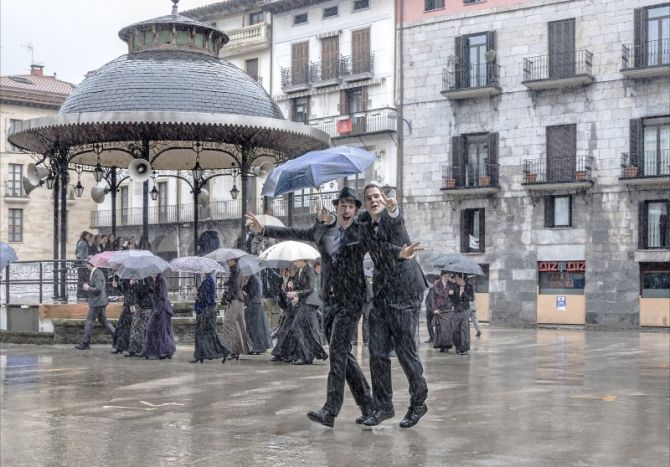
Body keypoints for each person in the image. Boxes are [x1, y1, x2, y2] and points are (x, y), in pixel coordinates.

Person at [246, 187, 419, 428]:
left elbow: (380, 248)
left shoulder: (362, 231)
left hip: (352, 300)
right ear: (336, 208)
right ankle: (367, 403)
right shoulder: (322, 231)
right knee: (344, 356)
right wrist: (263, 230)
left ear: (356, 211)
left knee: (337, 352)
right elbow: (293, 232)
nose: (346, 210)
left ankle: (331, 409)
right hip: (329, 299)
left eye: (351, 206)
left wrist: (400, 252)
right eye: (342, 205)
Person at [357, 184, 429, 429]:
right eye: (368, 198)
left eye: (377, 196)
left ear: (384, 198)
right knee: (376, 351)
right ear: (365, 204)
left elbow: (397, 223)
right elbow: (372, 247)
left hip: (405, 291)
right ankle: (383, 407)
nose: (373, 200)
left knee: (405, 351)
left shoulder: (391, 216)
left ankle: (419, 402)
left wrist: (394, 209)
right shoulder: (365, 225)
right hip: (381, 293)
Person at [273, 260, 328, 365]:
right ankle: (308, 355)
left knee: (297, 328)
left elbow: (310, 289)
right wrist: (291, 286)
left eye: (297, 261)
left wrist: (296, 293)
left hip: (309, 303)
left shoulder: (309, 270)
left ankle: (305, 355)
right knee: (306, 330)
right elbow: (300, 287)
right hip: (303, 302)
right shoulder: (300, 270)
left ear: (303, 260)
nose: (295, 263)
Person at [75, 257, 116, 350]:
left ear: (90, 264)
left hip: (97, 302)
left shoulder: (98, 274)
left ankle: (85, 343)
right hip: (99, 302)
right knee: (104, 322)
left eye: (87, 263)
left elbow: (98, 289)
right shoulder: (95, 273)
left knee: (89, 322)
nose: (86, 265)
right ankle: (117, 338)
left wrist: (87, 288)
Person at [191, 271, 228, 364]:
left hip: (206, 311)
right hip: (207, 310)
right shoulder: (208, 281)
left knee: (204, 333)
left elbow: (204, 298)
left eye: (202, 270)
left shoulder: (207, 282)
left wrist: (195, 293)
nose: (200, 272)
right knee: (206, 334)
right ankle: (201, 355)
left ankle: (223, 351)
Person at [220, 258, 251, 359]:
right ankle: (238, 350)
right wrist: (226, 282)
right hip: (237, 300)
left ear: (234, 260)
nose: (227, 262)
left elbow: (236, 286)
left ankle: (235, 350)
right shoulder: (235, 271)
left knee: (230, 324)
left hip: (236, 300)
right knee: (238, 324)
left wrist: (228, 295)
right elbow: (234, 285)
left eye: (229, 260)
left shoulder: (237, 270)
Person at [142, 273, 176, 360]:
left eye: (152, 272)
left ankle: (165, 351)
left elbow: (162, 296)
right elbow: (156, 293)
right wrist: (149, 288)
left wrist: (158, 309)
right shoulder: (157, 280)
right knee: (158, 329)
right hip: (159, 308)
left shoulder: (161, 279)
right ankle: (152, 351)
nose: (150, 274)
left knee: (160, 330)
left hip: (162, 309)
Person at [243, 272, 273, 355]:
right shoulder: (257, 279)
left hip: (253, 305)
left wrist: (244, 289)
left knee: (254, 326)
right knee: (258, 325)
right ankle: (259, 346)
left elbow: (251, 292)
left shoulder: (252, 279)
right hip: (257, 304)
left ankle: (257, 347)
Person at [432, 272, 459, 353]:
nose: (446, 278)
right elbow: (433, 298)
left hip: (448, 308)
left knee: (447, 329)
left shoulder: (452, 285)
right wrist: (434, 309)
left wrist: (452, 294)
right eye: (445, 276)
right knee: (440, 328)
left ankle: (447, 345)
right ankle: (440, 345)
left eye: (448, 276)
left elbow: (456, 297)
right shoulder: (436, 285)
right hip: (439, 309)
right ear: (441, 276)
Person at [126, 278, 153, 358]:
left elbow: (147, 291)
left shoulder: (146, 279)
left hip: (145, 306)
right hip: (140, 306)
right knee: (135, 328)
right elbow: (134, 293)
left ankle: (140, 350)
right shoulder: (138, 278)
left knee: (140, 328)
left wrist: (135, 284)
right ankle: (133, 350)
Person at [110, 277, 135, 354]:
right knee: (121, 326)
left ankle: (128, 348)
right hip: (127, 305)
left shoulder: (137, 278)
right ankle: (119, 347)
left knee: (129, 327)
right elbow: (125, 290)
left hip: (132, 306)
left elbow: (135, 292)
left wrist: (132, 304)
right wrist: (117, 285)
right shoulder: (126, 278)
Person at [75, 231, 91, 300]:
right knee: (84, 279)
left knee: (82, 279)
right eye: (87, 236)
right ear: (84, 236)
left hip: (82, 264)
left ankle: (82, 294)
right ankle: (82, 294)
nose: (88, 237)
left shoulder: (80, 242)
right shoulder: (83, 243)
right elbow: (81, 254)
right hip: (83, 264)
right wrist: (87, 257)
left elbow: (77, 253)